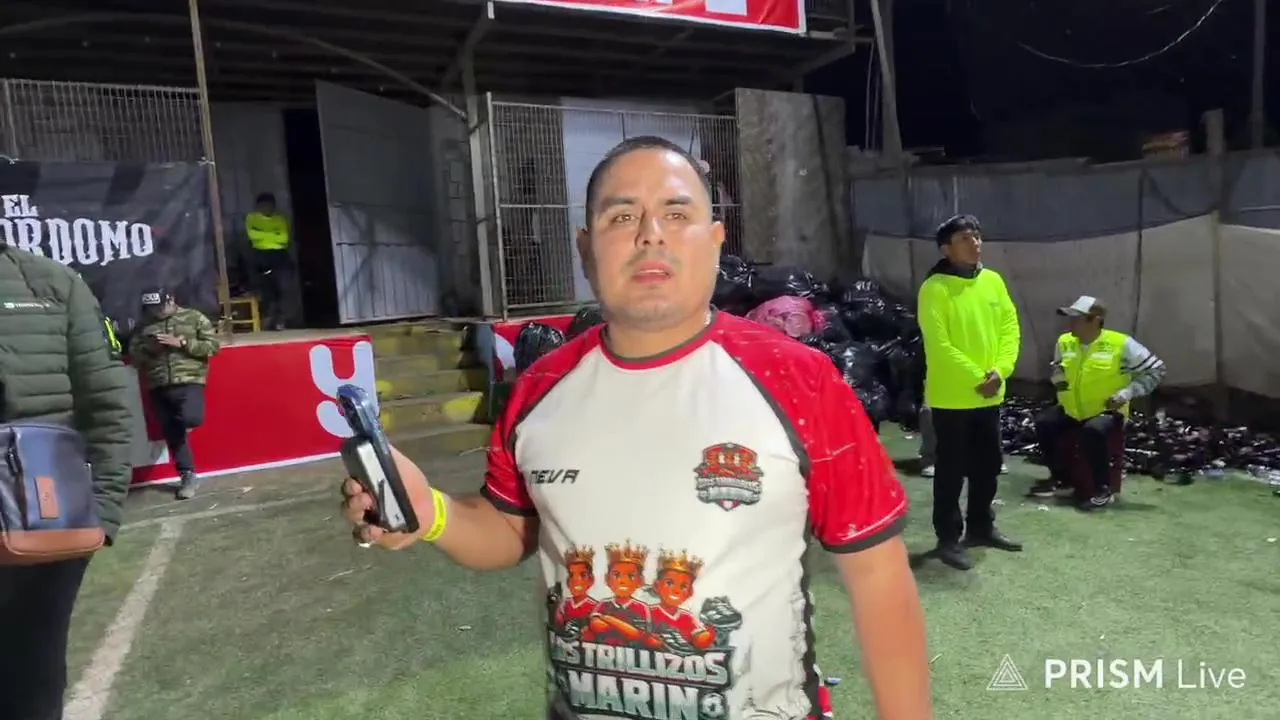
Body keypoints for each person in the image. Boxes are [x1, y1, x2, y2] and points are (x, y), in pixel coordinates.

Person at [341, 136, 932, 719]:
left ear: (715, 239)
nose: (651, 233)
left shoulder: (800, 380)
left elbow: (878, 574)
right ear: (586, 247)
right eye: (622, 216)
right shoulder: (539, 390)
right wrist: (432, 512)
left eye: (676, 213)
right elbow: (511, 531)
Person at [0, 245, 133, 719]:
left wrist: (103, 512)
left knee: (31, 686)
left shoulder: (52, 283)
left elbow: (108, 405)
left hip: (38, 527)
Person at [918, 213, 1022, 571]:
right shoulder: (935, 288)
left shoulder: (993, 281)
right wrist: (980, 376)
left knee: (987, 466)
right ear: (946, 249)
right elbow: (940, 345)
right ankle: (948, 538)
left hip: (989, 394)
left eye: (976, 236)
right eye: (964, 238)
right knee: (950, 470)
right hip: (952, 397)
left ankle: (981, 526)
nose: (974, 243)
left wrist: (1001, 371)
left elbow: (1010, 328)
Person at [1028, 296, 1166, 510]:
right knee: (1044, 424)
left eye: (1077, 318)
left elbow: (1156, 370)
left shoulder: (1121, 344)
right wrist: (1060, 383)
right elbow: (1058, 367)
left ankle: (1103, 489)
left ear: (1095, 320)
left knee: (1092, 432)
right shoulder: (1064, 342)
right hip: (1072, 409)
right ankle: (1062, 480)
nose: (1071, 323)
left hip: (1106, 410)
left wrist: (1126, 394)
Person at [128, 289, 220, 500]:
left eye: (160, 307)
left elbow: (213, 347)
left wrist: (183, 343)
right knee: (173, 433)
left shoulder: (194, 317)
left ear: (171, 299)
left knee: (192, 418)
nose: (157, 312)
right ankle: (187, 475)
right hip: (158, 385)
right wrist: (151, 349)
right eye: (152, 309)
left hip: (189, 380)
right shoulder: (144, 326)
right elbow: (134, 357)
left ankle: (182, 430)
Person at [245, 192, 293, 330]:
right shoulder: (252, 218)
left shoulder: (279, 219)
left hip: (280, 256)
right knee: (265, 289)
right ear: (258, 206)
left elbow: (284, 238)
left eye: (270, 205)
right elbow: (252, 236)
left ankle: (280, 319)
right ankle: (267, 318)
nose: (267, 208)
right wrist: (273, 235)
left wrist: (263, 236)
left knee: (282, 288)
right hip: (261, 256)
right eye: (264, 205)